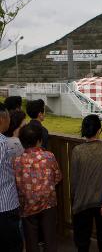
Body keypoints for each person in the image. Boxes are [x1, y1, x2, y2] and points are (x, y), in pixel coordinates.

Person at [13, 123, 62, 252]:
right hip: (48, 203)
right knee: (50, 238)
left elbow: (16, 184)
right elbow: (57, 177)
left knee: (31, 241)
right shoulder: (49, 156)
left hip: (27, 205)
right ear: (39, 140)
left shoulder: (17, 160)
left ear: (21, 141)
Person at [70, 114, 102, 252]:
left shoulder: (77, 151)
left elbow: (74, 179)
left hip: (82, 200)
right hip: (101, 200)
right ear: (98, 130)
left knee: (82, 240)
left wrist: (73, 198)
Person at [0, 103, 23, 252]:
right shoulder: (3, 143)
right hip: (6, 206)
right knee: (12, 245)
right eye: (8, 115)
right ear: (2, 119)